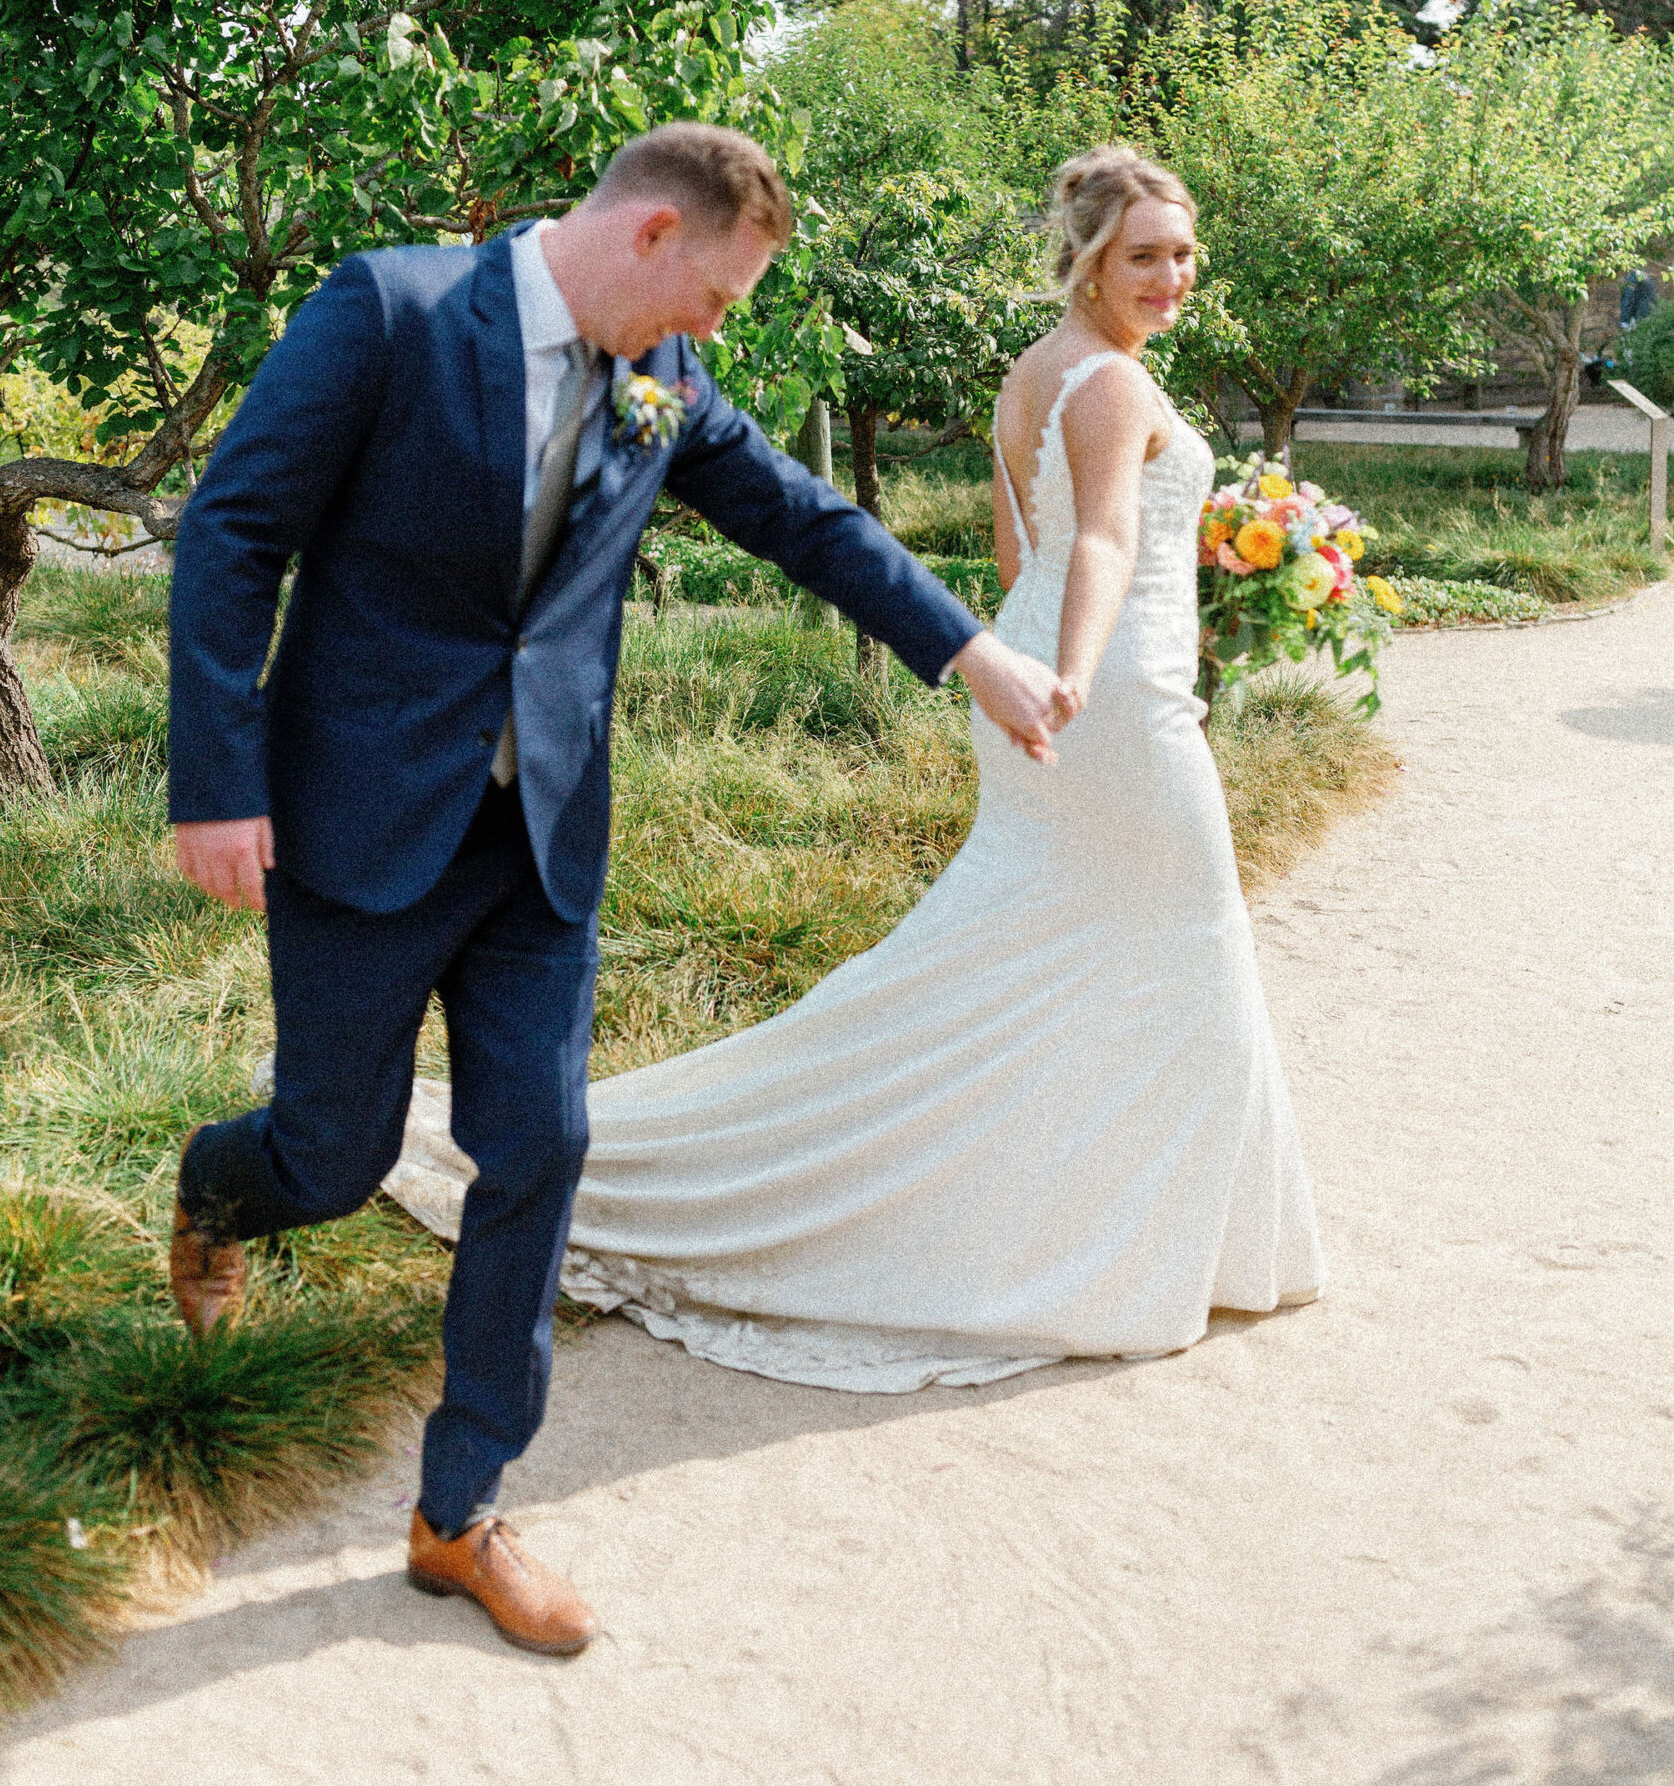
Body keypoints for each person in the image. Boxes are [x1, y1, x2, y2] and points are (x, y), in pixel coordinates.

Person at [166, 122, 1069, 1657]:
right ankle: (219, 1185)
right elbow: (235, 528)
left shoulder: (664, 383)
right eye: (716, 296)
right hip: (362, 817)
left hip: (539, 844)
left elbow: (803, 515)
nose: (717, 331)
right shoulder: (387, 310)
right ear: (652, 237)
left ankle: (458, 1514)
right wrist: (218, 779)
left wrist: (970, 651)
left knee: (541, 1144)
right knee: (336, 1151)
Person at [391, 142, 1325, 1392]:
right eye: (1144, 254)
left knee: (1039, 943)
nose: (1171, 275)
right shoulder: (1106, 385)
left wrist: (1048, 654)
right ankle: (1148, 1246)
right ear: (1089, 258)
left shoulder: (1036, 371)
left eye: (1183, 252)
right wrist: (1090, 670)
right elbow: (1100, 540)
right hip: (1104, 693)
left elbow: (1019, 548)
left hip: (1038, 667)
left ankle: (1102, 1218)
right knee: (1187, 937)